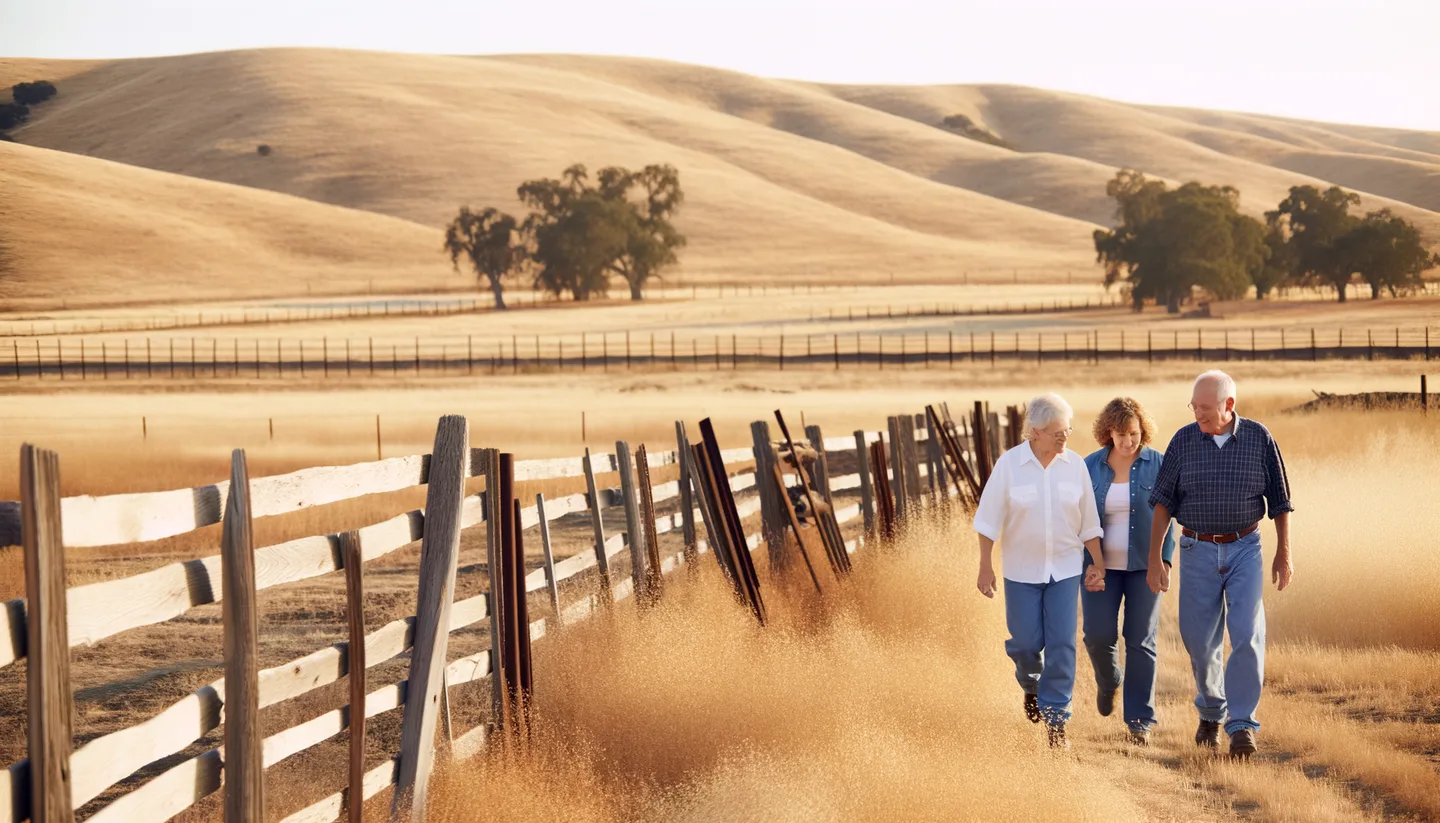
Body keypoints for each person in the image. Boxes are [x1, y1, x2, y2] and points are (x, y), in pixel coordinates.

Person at [1147, 370, 1294, 760]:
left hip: (1246, 547)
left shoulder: (1259, 438)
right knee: (1199, 642)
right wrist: (1154, 560)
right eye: (1194, 406)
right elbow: (1162, 503)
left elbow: (1280, 501)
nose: (1199, 414)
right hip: (1195, 550)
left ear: (1229, 405)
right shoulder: (1183, 441)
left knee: (1246, 633)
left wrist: (1284, 552)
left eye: (1206, 408)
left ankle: (1242, 725)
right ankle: (1212, 710)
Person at [974, 393, 1106, 749]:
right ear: (1034, 432)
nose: (1064, 437)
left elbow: (1089, 521)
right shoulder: (1009, 466)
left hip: (1065, 568)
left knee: (1063, 644)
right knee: (1026, 644)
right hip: (1021, 571)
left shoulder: (1075, 466)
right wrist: (985, 566)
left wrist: (1097, 561)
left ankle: (1056, 722)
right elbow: (988, 520)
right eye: (1056, 432)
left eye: (1067, 430)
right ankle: (1031, 683)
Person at [1082, 398, 1175, 746]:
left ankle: (1139, 722)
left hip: (1143, 568)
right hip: (1098, 568)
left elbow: (1170, 515)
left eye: (1134, 434)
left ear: (1142, 431)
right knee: (1097, 635)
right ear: (1109, 431)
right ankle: (1109, 682)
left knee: (1140, 641)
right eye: (1121, 434)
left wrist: (1163, 560)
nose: (1128, 441)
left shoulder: (1159, 463)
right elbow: (1078, 516)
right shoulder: (1090, 466)